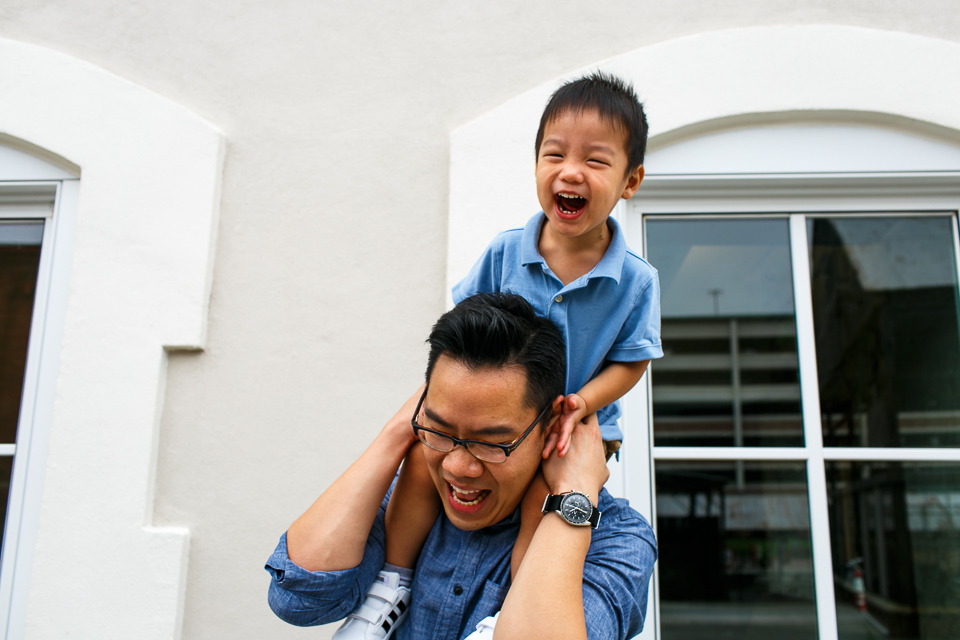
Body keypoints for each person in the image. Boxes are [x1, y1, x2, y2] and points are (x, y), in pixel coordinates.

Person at [335, 72, 663, 639]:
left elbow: (634, 360)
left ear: (631, 180)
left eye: (596, 161)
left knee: (547, 498)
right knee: (418, 460)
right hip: (491, 419)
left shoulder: (635, 279)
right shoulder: (507, 249)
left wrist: (583, 403)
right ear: (536, 163)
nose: (570, 171)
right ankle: (391, 585)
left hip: (573, 426)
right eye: (554, 154)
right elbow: (464, 327)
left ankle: (504, 616)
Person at [265, 293, 657, 640]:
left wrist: (575, 499)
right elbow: (298, 599)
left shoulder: (618, 542)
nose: (457, 467)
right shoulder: (409, 501)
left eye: (491, 443)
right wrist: (398, 432)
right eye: (439, 430)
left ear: (550, 426)